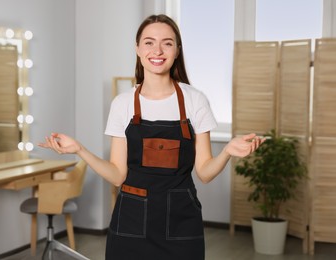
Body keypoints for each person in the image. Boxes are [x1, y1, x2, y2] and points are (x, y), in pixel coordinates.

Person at [39, 14, 264, 260]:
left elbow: (205, 173)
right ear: (137, 48)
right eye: (148, 42)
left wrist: (228, 151)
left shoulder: (194, 100)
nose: (157, 50)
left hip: (181, 222)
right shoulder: (122, 103)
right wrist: (80, 149)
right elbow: (117, 175)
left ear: (177, 50)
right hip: (130, 222)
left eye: (167, 43)